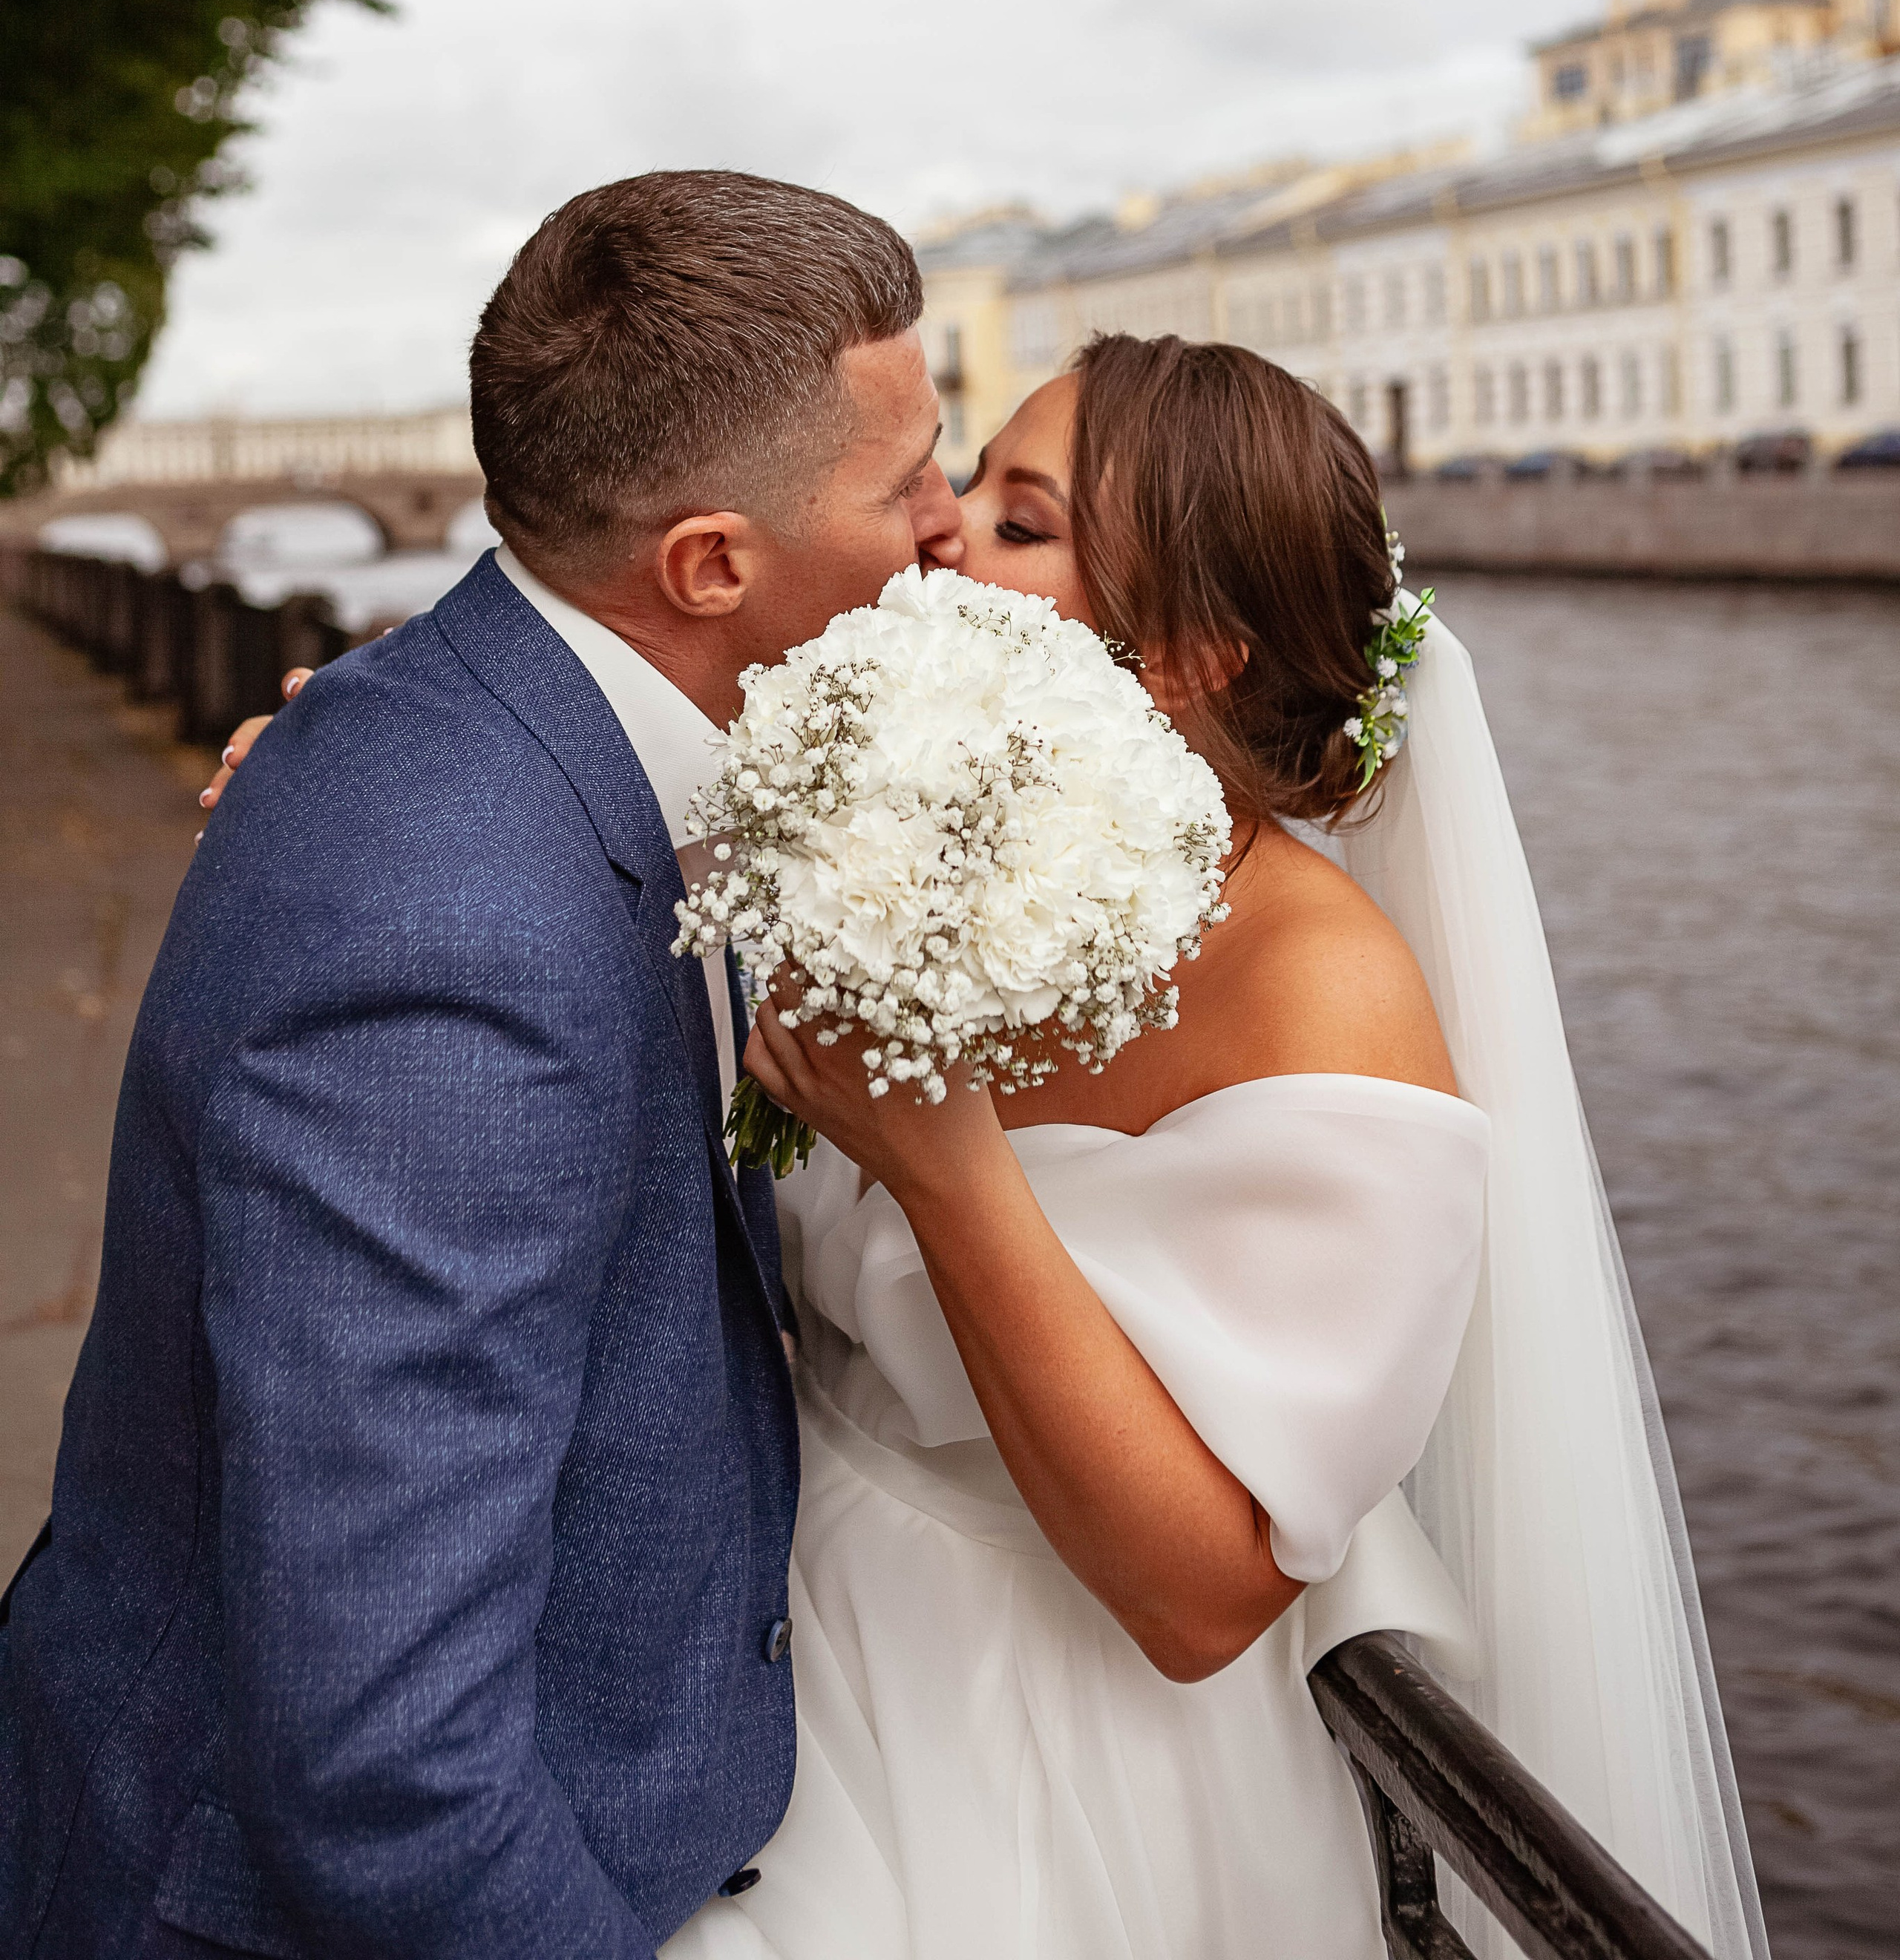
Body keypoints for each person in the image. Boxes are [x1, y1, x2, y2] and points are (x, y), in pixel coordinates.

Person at [664, 333, 1769, 1960]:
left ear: (1183, 650)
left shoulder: (1316, 989)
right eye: (966, 481)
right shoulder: (919, 830)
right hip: (774, 1636)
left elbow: (1197, 1600)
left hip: (1056, 1748)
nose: (939, 530)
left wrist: (944, 1164)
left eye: (1019, 522)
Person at [0, 171, 963, 1960]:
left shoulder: (493, 724)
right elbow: (385, 1767)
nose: (947, 514)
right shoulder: (453, 949)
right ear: (709, 566)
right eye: (900, 476)